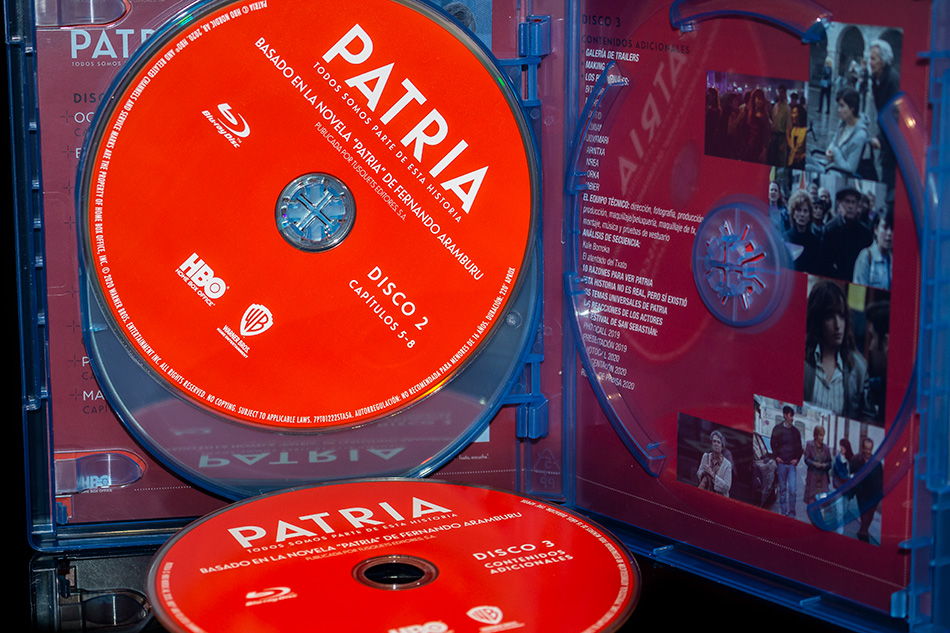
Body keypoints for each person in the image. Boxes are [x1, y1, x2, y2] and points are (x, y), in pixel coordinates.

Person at [804, 280, 871, 419]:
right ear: (817, 320)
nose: (838, 325)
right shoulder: (802, 360)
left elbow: (867, 418)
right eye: (830, 317)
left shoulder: (858, 369)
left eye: (841, 316)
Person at [807, 88, 869, 175]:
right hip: (829, 165)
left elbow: (850, 168)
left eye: (842, 106)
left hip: (836, 172)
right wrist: (829, 150)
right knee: (804, 159)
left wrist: (835, 152)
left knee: (807, 167)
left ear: (852, 108)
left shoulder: (860, 135)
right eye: (839, 106)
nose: (839, 110)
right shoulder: (842, 123)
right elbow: (834, 141)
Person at [869, 40, 900, 200]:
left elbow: (894, 117)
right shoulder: (876, 79)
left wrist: (880, 139)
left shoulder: (892, 80)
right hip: (886, 136)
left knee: (889, 179)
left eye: (873, 58)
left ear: (883, 61)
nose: (870, 62)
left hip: (894, 141)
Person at [821, 186, 873, 280]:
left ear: (857, 206)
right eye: (847, 202)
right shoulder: (829, 230)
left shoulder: (864, 232)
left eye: (853, 202)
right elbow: (825, 263)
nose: (850, 206)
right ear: (839, 204)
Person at [771, 406, 803, 517]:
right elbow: (772, 444)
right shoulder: (777, 429)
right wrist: (776, 457)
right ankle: (783, 512)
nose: (792, 418)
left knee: (792, 490)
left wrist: (797, 459)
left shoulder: (796, 432)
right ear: (785, 415)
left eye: (793, 416)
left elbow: (800, 448)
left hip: (791, 465)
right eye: (790, 416)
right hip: (781, 464)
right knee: (783, 490)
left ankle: (792, 513)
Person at [850, 437, 883, 543]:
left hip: (874, 495)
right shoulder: (856, 459)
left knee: (870, 517)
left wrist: (879, 495)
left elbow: (881, 479)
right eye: (866, 449)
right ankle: (864, 538)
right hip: (862, 494)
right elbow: (851, 475)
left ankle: (862, 533)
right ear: (862, 448)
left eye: (870, 449)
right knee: (864, 516)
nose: (868, 452)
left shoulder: (877, 462)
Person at [853, 208, 894, 290]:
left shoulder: (894, 259)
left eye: (892, 228)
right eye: (885, 228)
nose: (889, 233)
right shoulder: (866, 257)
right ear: (876, 230)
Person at [784, 189, 822, 274]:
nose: (802, 214)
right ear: (793, 213)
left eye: (805, 211)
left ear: (809, 215)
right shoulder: (784, 239)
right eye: (799, 210)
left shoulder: (815, 242)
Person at [697, 430, 733, 497]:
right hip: (704, 494)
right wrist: (704, 472)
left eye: (718, 442)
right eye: (714, 441)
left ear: (722, 446)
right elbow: (699, 473)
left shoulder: (727, 464)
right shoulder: (706, 456)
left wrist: (711, 474)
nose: (716, 444)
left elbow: (727, 487)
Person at [804, 426, 833, 504]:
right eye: (820, 435)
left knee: (823, 503)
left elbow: (830, 463)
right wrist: (814, 463)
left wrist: (825, 465)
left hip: (823, 481)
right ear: (816, 435)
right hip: (812, 479)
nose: (822, 438)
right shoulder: (809, 445)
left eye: (823, 435)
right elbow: (806, 459)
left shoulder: (826, 448)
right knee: (811, 502)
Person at [786, 104, 807, 169]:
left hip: (800, 163)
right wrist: (787, 134)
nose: (792, 116)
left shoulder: (805, 130)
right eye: (792, 113)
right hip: (791, 161)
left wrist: (802, 156)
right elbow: (792, 146)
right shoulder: (794, 129)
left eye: (794, 113)